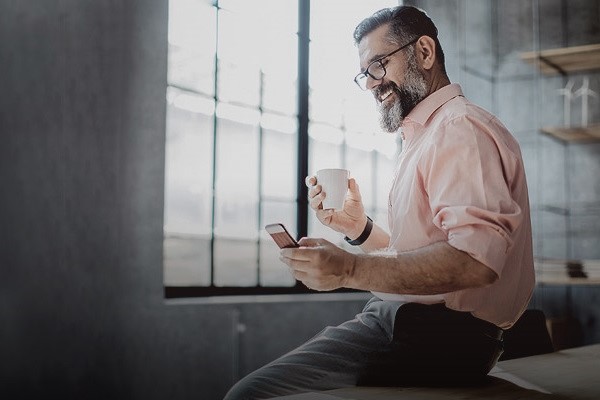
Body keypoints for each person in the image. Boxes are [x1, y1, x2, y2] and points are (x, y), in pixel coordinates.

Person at [224, 5, 534, 400]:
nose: (371, 84)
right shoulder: (428, 136)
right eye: (364, 74)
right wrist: (359, 229)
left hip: (432, 335)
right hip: (420, 327)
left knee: (249, 394)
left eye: (379, 66)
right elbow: (424, 257)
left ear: (424, 52)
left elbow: (475, 261)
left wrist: (349, 269)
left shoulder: (458, 129)